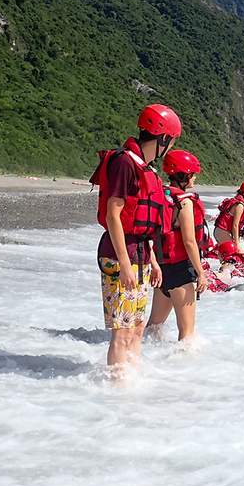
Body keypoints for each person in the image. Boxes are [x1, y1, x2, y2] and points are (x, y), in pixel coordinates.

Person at [89, 104, 180, 375]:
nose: (170, 148)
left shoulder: (146, 168)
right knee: (123, 332)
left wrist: (153, 260)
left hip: (139, 252)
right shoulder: (124, 163)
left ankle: (133, 384)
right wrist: (126, 264)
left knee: (137, 328)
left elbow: (144, 225)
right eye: (171, 142)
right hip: (120, 254)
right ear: (163, 138)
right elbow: (113, 215)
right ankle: (116, 389)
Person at [147, 149, 210, 341]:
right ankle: (183, 369)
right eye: (192, 174)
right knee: (187, 335)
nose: (195, 178)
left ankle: (142, 358)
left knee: (153, 328)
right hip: (181, 270)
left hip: (161, 267)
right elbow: (189, 241)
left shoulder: (160, 194)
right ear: (184, 175)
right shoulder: (184, 202)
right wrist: (201, 272)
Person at [213, 181, 244, 250]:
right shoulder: (240, 206)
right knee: (234, 253)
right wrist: (237, 243)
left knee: (226, 255)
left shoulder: (237, 202)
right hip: (222, 231)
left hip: (220, 231)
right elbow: (235, 225)